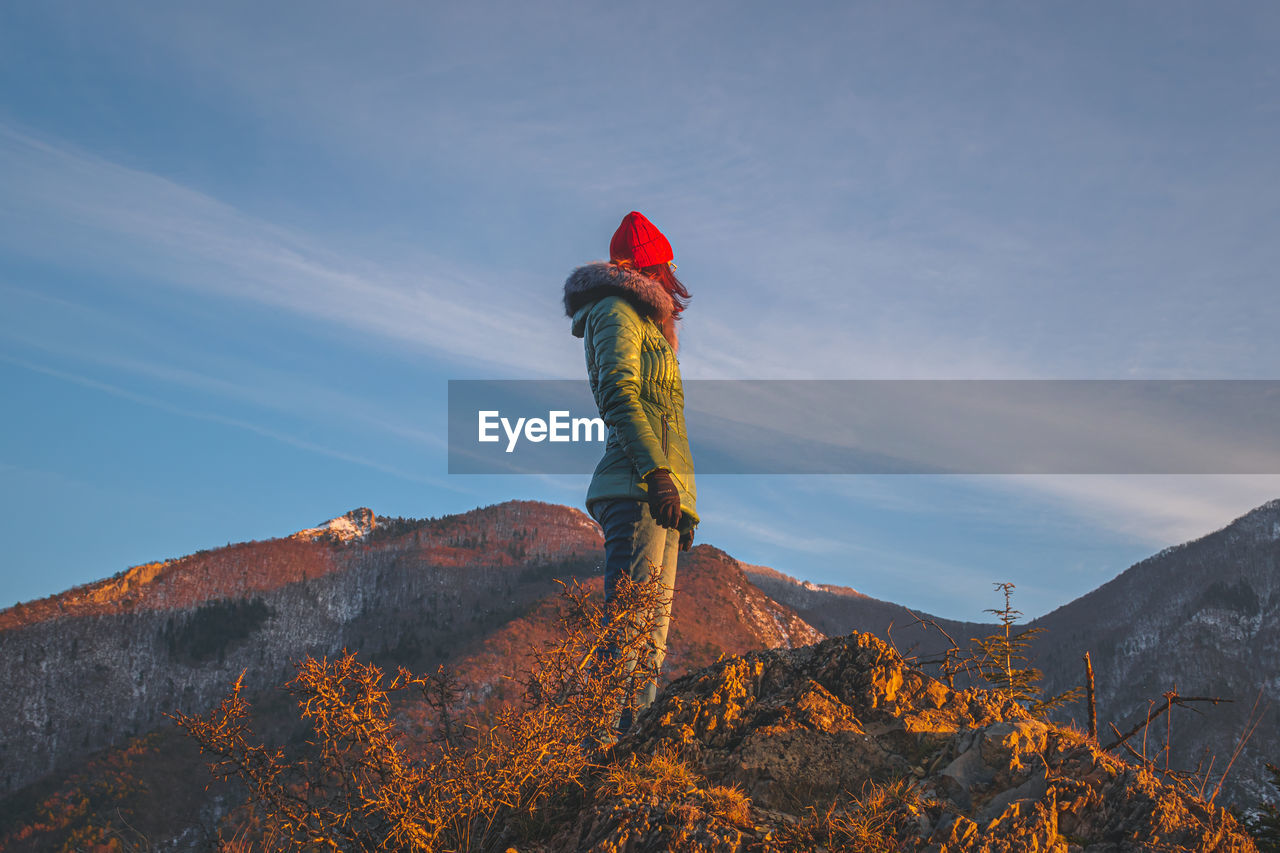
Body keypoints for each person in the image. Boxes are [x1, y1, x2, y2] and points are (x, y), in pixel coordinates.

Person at [562, 211, 698, 736]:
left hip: (658, 490)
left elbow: (670, 423)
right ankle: (593, 757)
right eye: (666, 267)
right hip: (635, 486)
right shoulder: (616, 309)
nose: (672, 276)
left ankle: (629, 751)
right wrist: (657, 474)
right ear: (651, 268)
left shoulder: (649, 326)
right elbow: (618, 396)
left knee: (651, 639)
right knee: (628, 631)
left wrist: (684, 505)